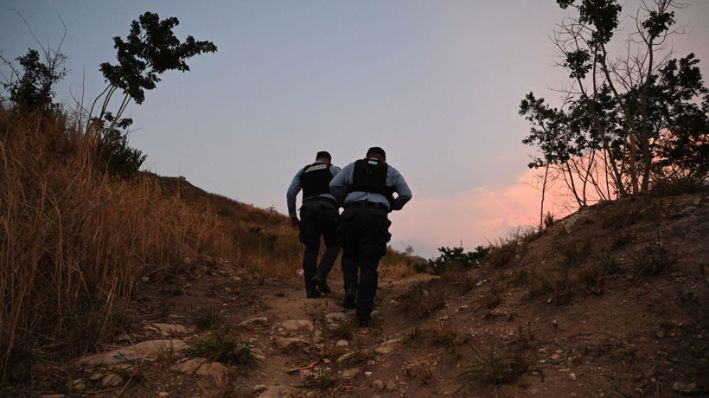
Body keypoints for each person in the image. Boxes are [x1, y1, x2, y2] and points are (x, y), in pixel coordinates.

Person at [329, 147, 412, 325]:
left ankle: (350, 288)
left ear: (367, 157)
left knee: (349, 254)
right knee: (369, 265)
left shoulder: (353, 166)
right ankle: (363, 314)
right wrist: (393, 205)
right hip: (376, 217)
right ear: (384, 160)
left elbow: (334, 185)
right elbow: (406, 194)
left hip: (351, 213)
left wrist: (345, 201)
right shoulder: (391, 171)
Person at [287, 151, 342, 298]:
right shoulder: (333, 169)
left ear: (316, 159)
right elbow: (344, 186)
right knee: (334, 244)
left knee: (311, 248)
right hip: (328, 209)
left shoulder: (303, 170)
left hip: (307, 210)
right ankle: (321, 275)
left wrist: (293, 216)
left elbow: (291, 192)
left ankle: (311, 290)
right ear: (329, 160)